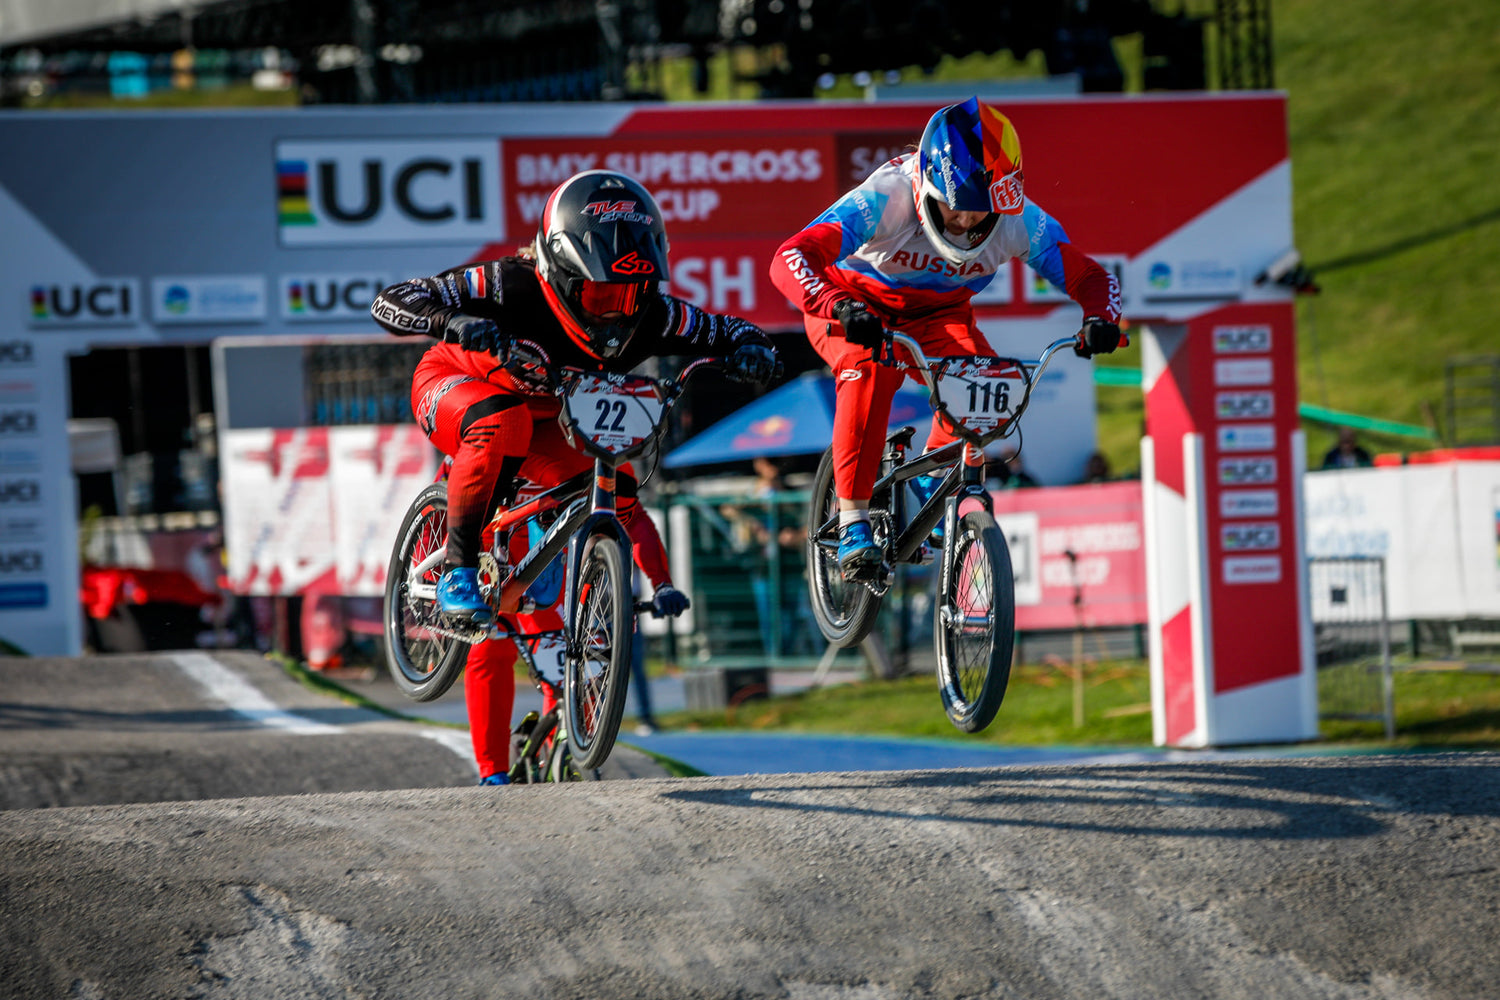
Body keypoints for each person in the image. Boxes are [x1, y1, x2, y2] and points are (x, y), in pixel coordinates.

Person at [371, 169, 778, 784]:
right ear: (560, 273)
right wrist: (450, 321)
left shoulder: (654, 315)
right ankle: (456, 569)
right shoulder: (507, 283)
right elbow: (390, 300)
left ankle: (551, 598)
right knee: (500, 424)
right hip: (460, 385)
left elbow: (728, 329)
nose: (619, 312)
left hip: (547, 415)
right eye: (600, 296)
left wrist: (755, 349)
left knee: (610, 484)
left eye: (632, 296)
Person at [769, 96, 1123, 579]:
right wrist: (838, 306)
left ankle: (929, 484)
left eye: (982, 213)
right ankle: (852, 519)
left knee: (985, 383)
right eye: (956, 208)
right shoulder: (887, 197)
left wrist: (1101, 318)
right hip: (855, 307)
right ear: (926, 187)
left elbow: (1092, 279)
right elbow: (790, 257)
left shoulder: (1018, 219)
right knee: (868, 370)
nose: (966, 223)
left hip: (939, 314)